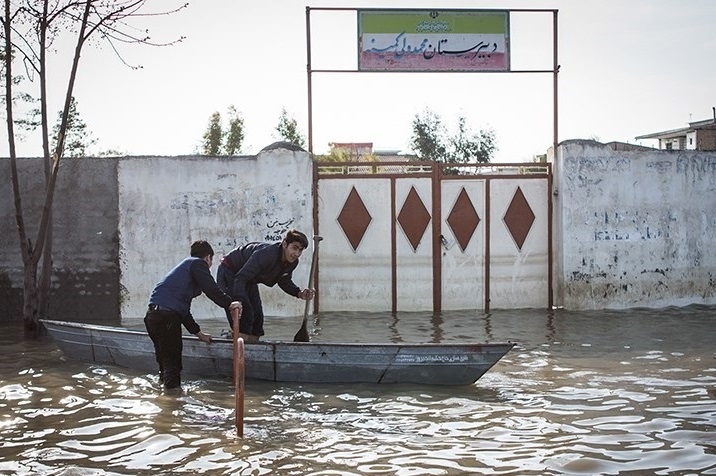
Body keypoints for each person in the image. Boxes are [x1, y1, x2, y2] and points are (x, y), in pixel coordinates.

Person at [144, 240, 241, 390]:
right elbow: (210, 288)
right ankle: (172, 404)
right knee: (173, 364)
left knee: (164, 361)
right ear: (208, 257)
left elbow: (182, 311)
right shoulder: (198, 264)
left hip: (153, 316)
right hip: (167, 317)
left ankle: (163, 396)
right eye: (210, 261)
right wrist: (229, 303)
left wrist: (198, 333)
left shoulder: (183, 271)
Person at [217, 229, 315, 343]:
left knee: (258, 319)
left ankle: (252, 349)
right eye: (294, 248)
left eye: (300, 250)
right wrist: (238, 301)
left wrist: (299, 292)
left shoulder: (292, 262)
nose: (296, 254)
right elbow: (240, 278)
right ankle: (238, 347)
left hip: (248, 279)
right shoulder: (266, 255)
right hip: (230, 273)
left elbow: (284, 281)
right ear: (284, 244)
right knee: (245, 314)